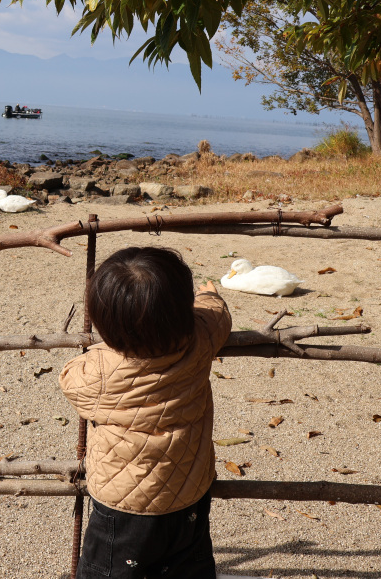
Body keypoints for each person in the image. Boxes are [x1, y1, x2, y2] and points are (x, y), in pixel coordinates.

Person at [60, 246, 232, 579]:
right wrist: (209, 296)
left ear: (105, 326)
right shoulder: (201, 340)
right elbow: (215, 313)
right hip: (188, 498)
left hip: (121, 510)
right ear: (183, 312)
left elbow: (69, 378)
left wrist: (105, 349)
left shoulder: (96, 371)